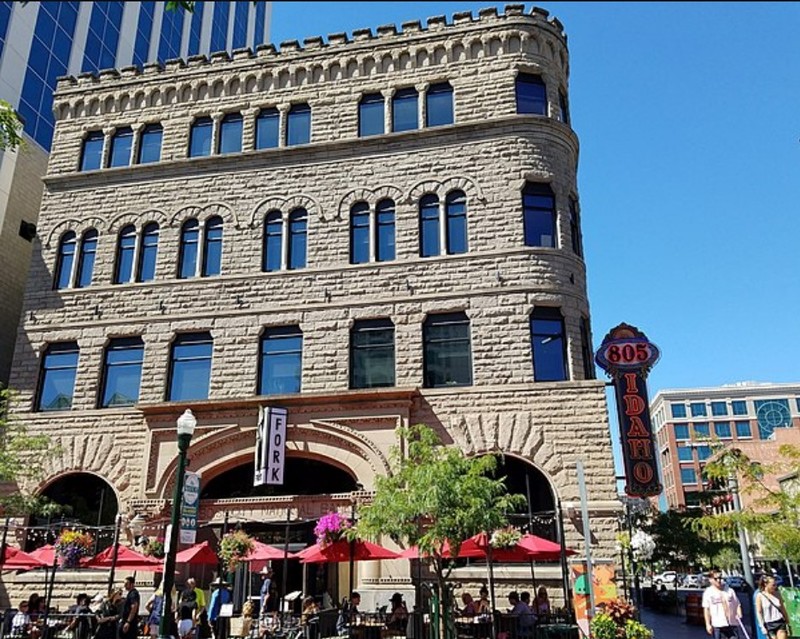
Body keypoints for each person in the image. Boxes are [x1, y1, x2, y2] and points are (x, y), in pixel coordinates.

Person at [703, 571, 742, 639]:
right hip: (719, 625)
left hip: (732, 624)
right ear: (710, 580)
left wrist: (739, 613)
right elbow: (706, 609)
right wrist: (708, 624)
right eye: (716, 579)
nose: (719, 580)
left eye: (720, 578)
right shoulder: (708, 593)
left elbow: (737, 604)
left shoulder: (729, 590)